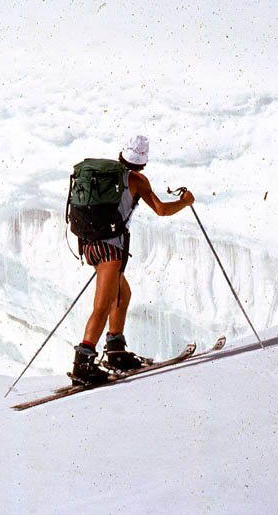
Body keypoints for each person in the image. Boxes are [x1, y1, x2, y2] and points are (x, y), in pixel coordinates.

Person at [71, 135, 195, 385]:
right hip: (110, 249)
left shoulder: (106, 176)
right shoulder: (136, 179)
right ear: (143, 161)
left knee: (121, 295)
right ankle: (82, 365)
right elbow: (161, 210)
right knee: (103, 305)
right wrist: (185, 202)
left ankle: (116, 350)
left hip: (90, 246)